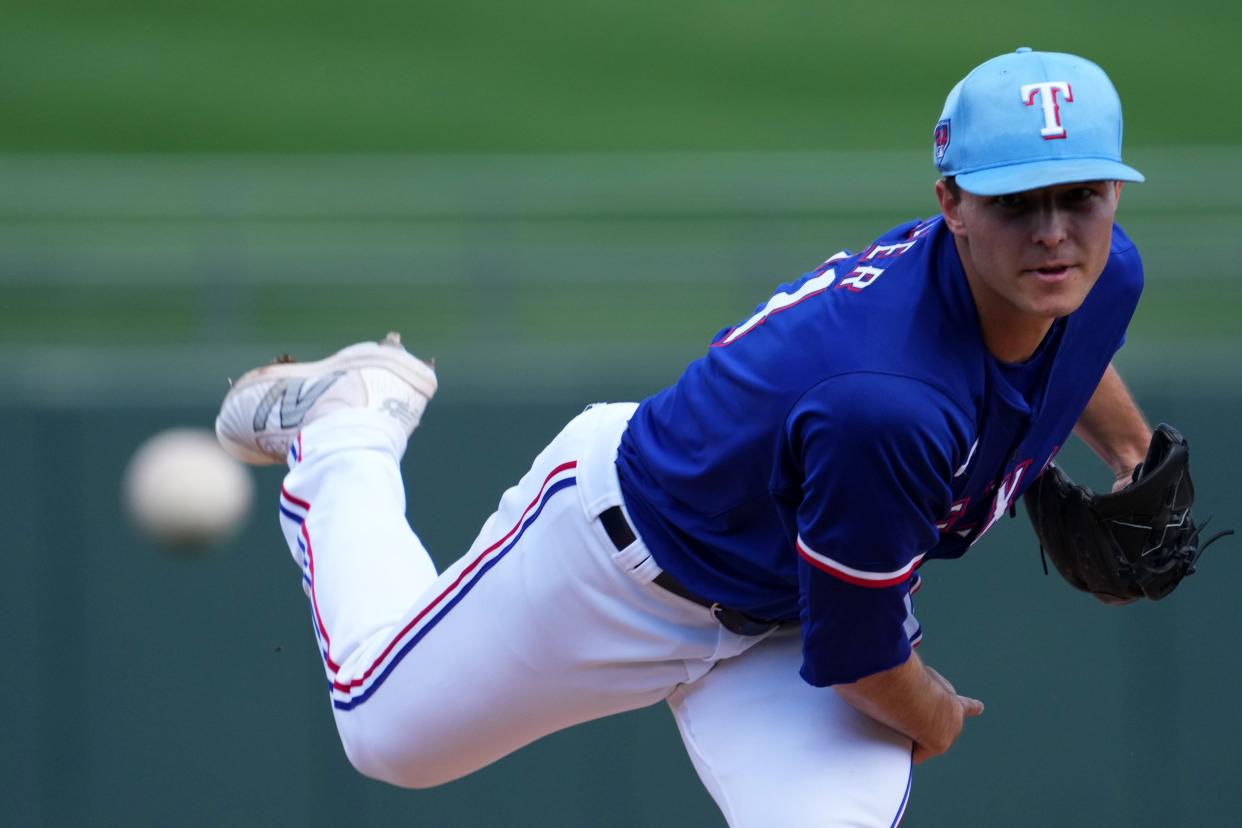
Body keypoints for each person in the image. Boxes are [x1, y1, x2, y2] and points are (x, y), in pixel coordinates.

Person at [216, 48, 1154, 826]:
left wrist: (1129, 454)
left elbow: (1069, 347)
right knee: (387, 738)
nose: (1055, 234)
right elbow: (865, 657)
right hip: (622, 564)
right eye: (1017, 203)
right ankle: (347, 428)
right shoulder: (887, 402)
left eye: (1080, 197)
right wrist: (940, 715)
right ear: (951, 202)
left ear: (1113, 193)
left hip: (790, 612)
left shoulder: (1099, 275)